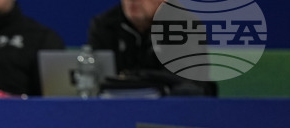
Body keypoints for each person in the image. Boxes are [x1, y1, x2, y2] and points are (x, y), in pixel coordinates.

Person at [88, 0, 217, 96]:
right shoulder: (104, 26)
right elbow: (94, 82)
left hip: (170, 112)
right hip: (117, 110)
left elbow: (189, 81)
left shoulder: (185, 25)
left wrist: (134, 77)